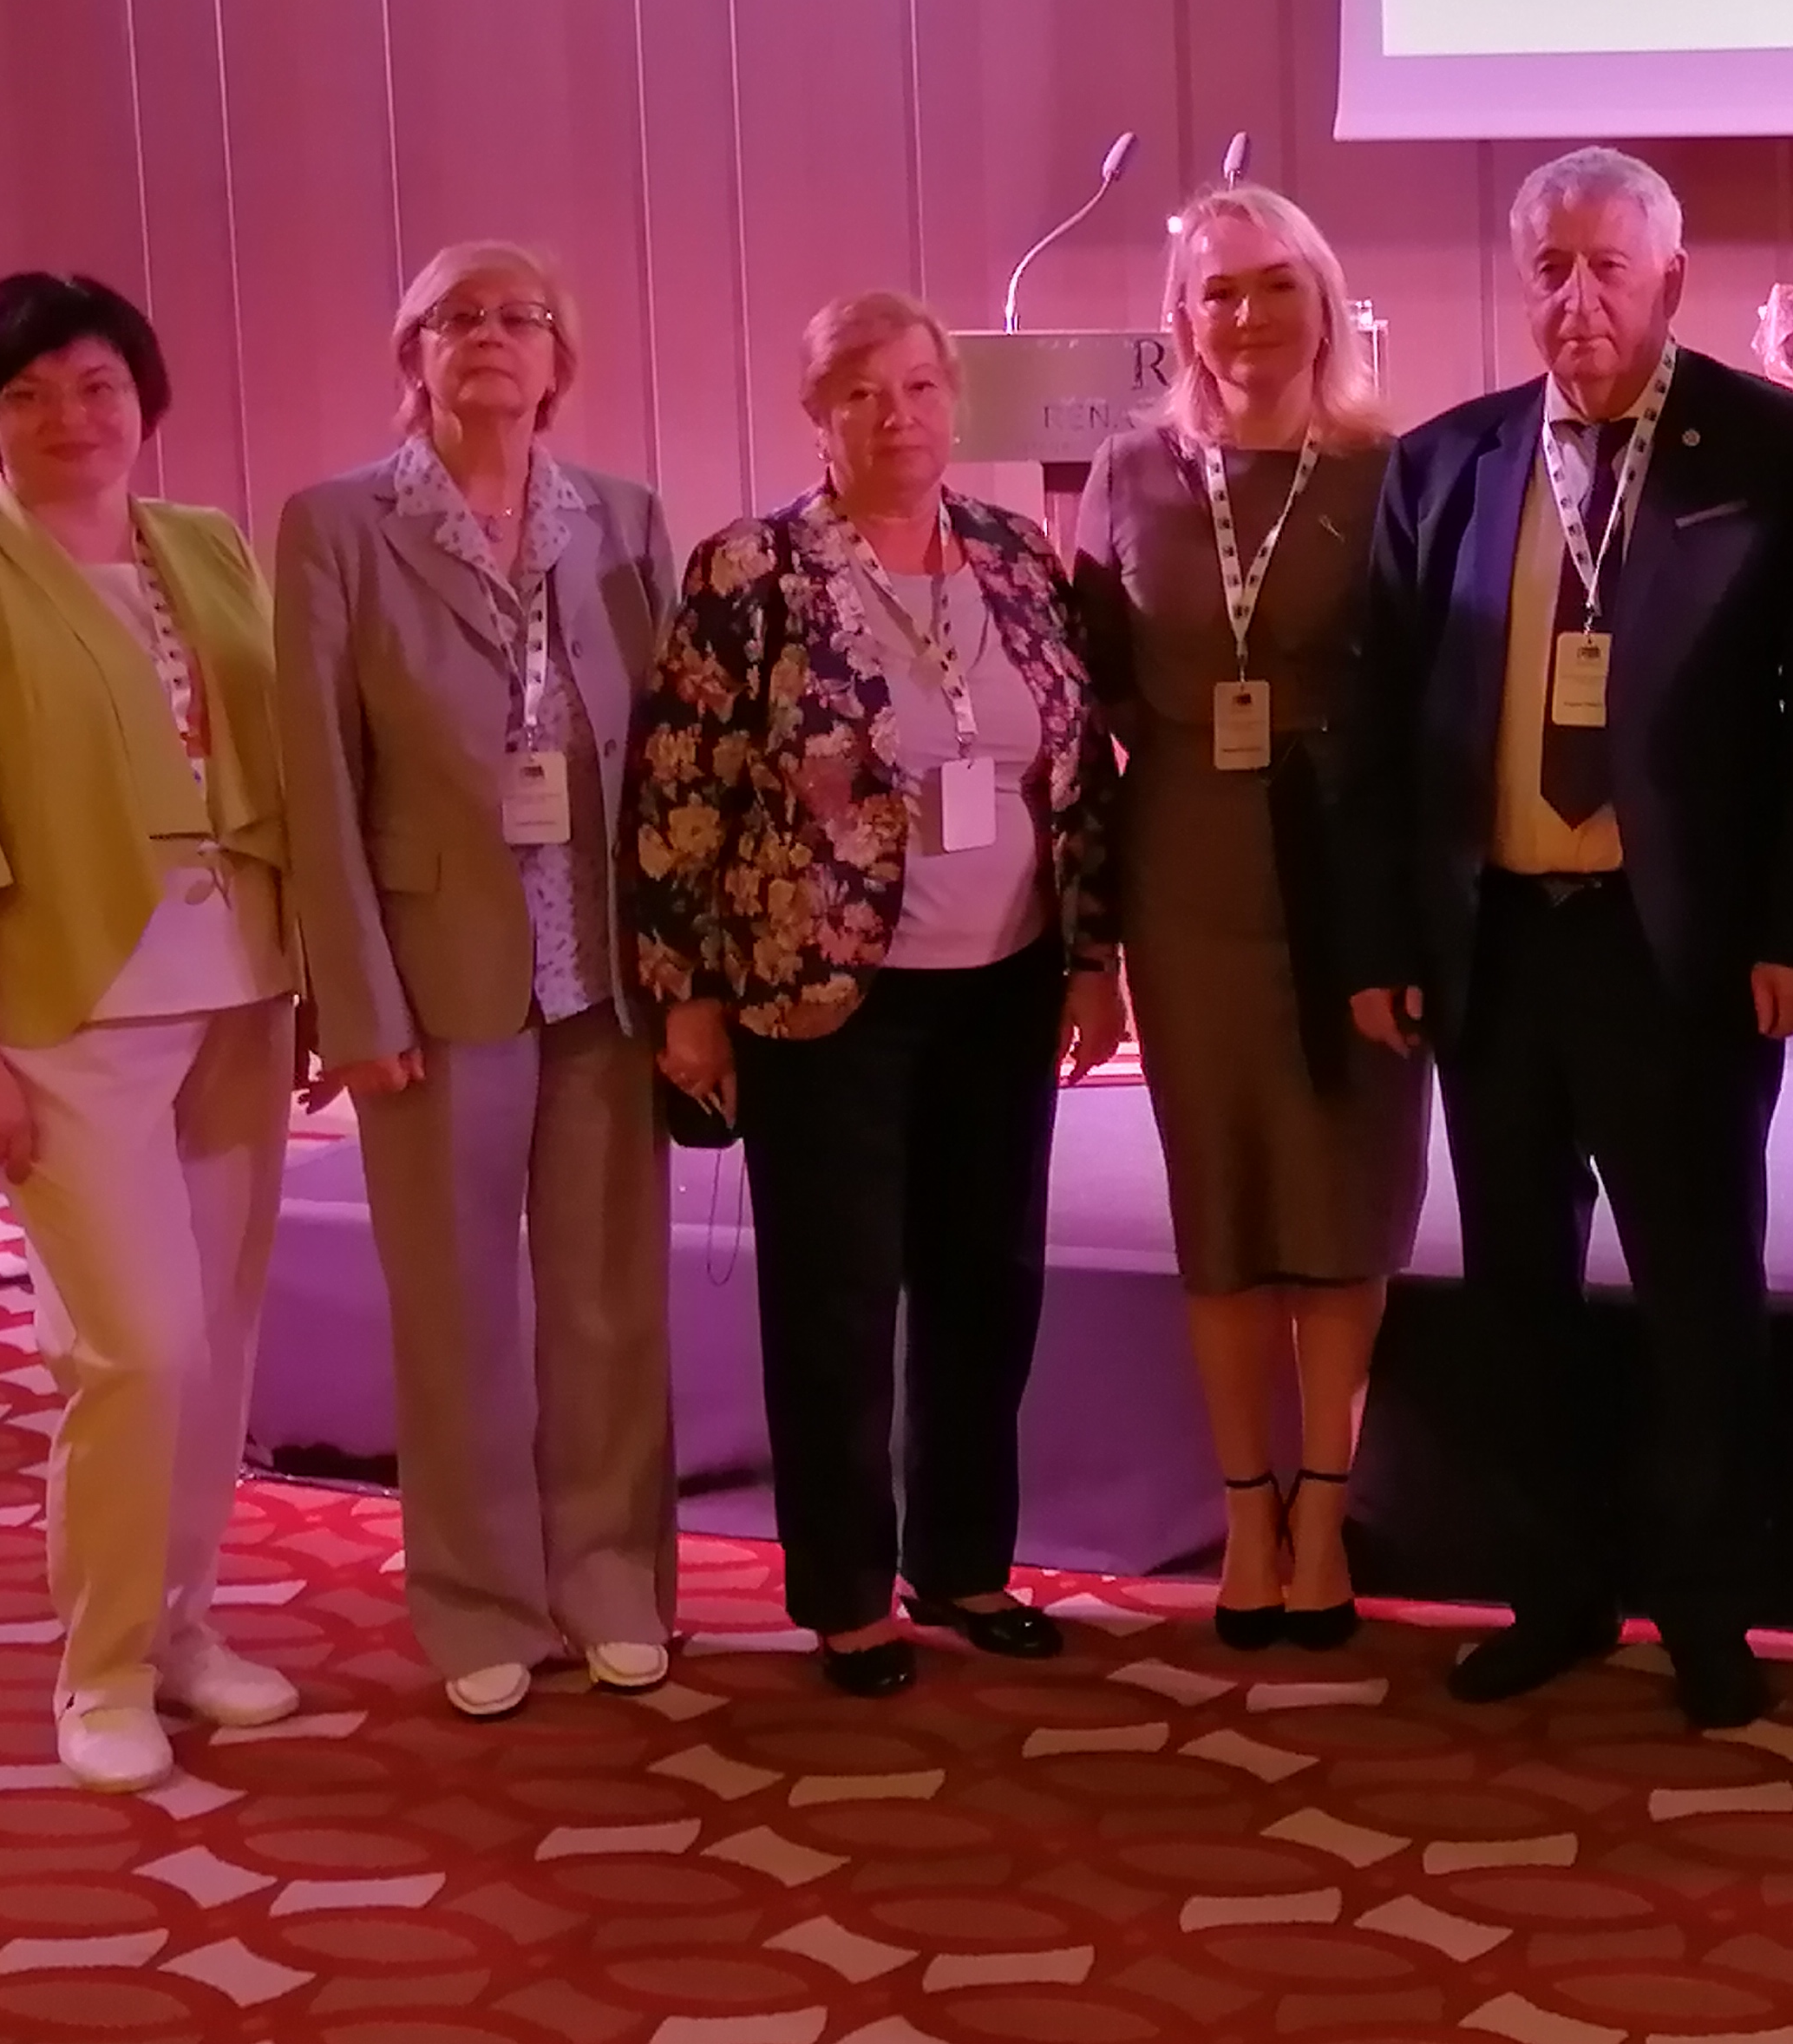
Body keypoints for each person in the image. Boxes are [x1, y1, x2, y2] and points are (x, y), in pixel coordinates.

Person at [1337, 148, 1793, 1732]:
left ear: (1672, 283)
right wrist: (1383, 939)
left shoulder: (1767, 448)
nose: (1576, 298)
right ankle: (1551, 1592)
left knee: (1701, 1292)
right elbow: (1383, 721)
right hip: (1497, 941)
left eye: (1608, 268)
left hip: (1674, 946)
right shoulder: (1446, 462)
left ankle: (1708, 1611)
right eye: (1549, 268)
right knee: (1519, 1293)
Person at [0, 272, 305, 1792]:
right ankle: (97, 1671)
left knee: (216, 1346)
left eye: (96, 385)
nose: (67, 417)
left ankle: (182, 1628)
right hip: (69, 1009)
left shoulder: (205, 544)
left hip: (241, 994)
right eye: (26, 394)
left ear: (142, 397)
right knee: (136, 1350)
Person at [622, 291, 1124, 1696]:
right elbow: (679, 792)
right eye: (861, 394)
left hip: (1005, 981)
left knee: (987, 1286)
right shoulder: (754, 571)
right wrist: (687, 997)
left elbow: (1080, 774)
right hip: (824, 993)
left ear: (952, 402)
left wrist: (1094, 957)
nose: (895, 417)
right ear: (818, 416)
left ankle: (962, 1561)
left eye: (917, 388)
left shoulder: (1018, 558)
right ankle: (845, 1591)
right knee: (837, 1302)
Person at [274, 242, 681, 1721]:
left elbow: (671, 764)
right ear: (415, 354)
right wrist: (353, 1000)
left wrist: (683, 976)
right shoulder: (338, 526)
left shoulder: (622, 519)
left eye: (522, 317)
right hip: (434, 984)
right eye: (459, 318)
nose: (492, 337)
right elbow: (317, 780)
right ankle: (478, 1599)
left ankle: (612, 1578)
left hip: (604, 976)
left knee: (609, 1306)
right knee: (455, 1315)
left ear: (561, 358)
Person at [1073, 185, 1431, 1648]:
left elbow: (1425, 700)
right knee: (1221, 1204)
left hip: (1350, 887)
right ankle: (1243, 1509)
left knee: (1344, 1200)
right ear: (1182, 318)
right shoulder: (1127, 474)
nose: (1248, 315)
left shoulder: (1392, 470)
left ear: (1324, 302)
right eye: (1218, 291)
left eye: (1277, 284)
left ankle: (1325, 1512)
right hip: (1190, 882)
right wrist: (1093, 940)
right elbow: (1085, 702)